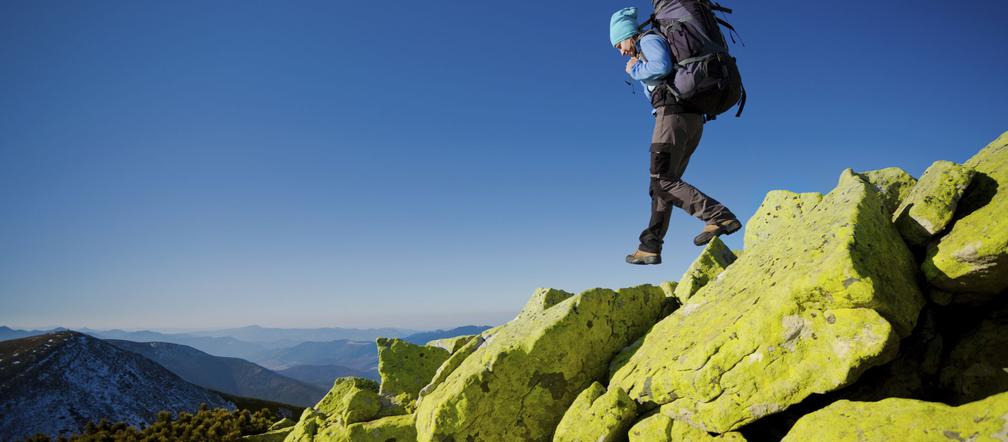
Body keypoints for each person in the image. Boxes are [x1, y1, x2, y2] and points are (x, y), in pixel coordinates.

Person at [610, 6, 742, 265]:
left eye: (619, 44)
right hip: (691, 119)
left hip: (673, 116)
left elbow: (660, 66)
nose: (621, 51)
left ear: (629, 35)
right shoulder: (652, 41)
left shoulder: (648, 39)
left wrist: (635, 69)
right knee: (662, 185)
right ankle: (650, 246)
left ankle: (718, 216)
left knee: (662, 180)